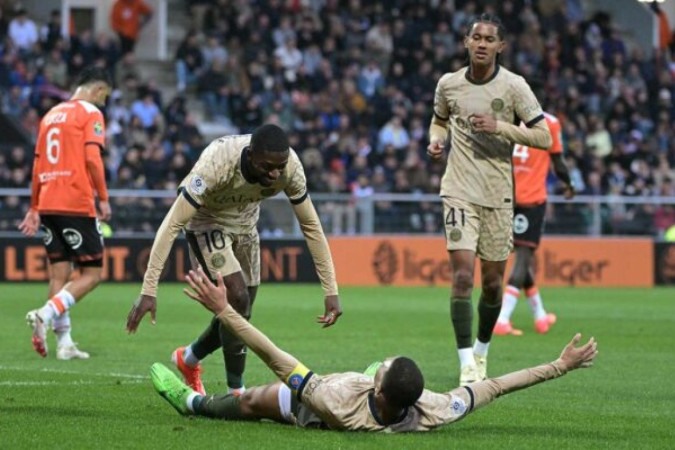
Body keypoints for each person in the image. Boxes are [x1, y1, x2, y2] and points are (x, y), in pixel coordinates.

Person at [150, 266, 597, 432]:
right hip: (366, 395)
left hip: (311, 404)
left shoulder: (334, 401)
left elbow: (276, 356)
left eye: (383, 370)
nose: (383, 363)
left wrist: (227, 312)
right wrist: (558, 365)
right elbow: (496, 385)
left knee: (252, 401)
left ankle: (190, 402)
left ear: (380, 390)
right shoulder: (435, 408)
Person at [126, 123, 342, 396]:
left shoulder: (290, 168)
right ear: (250, 155)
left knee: (243, 310)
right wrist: (149, 289)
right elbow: (171, 224)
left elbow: (312, 226)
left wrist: (331, 289)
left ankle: (189, 358)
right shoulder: (217, 161)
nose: (275, 173)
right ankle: (236, 392)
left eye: (280, 166)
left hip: (247, 226)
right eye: (267, 166)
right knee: (237, 299)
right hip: (207, 223)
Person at [426, 13, 553, 386]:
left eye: (489, 39)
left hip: (498, 196)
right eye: (476, 37)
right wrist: (436, 140)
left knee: (494, 284)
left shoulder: (514, 87)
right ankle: (466, 363)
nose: (482, 44)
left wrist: (501, 127)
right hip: (458, 190)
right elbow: (439, 120)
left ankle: (482, 351)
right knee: (463, 276)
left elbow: (544, 137)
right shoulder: (448, 84)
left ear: (501, 47)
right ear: (466, 42)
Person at [20, 66, 113, 360]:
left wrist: (34, 206)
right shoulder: (90, 113)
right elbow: (92, 158)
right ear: (98, 90)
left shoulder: (50, 116)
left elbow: (36, 165)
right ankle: (45, 314)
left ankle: (64, 344)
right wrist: (104, 198)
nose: (103, 103)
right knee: (93, 273)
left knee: (60, 273)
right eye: (105, 97)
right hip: (75, 200)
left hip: (47, 201)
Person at [494, 112, 575, 336]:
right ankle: (502, 319)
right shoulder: (550, 123)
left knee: (524, 256)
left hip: (506, 197)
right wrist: (569, 184)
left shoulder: (506, 119)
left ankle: (540, 316)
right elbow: (558, 161)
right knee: (523, 257)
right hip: (531, 200)